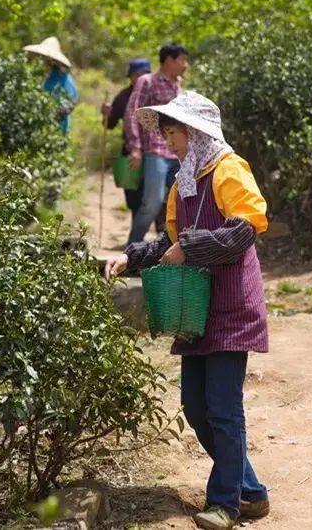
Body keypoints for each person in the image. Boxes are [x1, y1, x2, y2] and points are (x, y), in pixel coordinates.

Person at [106, 91, 270, 530]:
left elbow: (244, 231)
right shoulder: (185, 181)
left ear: (194, 132)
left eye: (171, 132)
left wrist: (190, 247)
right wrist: (132, 256)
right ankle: (250, 491)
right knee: (195, 408)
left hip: (232, 304)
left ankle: (225, 504)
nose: (167, 141)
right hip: (196, 307)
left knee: (223, 408)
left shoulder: (228, 170)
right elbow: (169, 242)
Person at [124, 42, 189, 243]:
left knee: (185, 202)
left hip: (177, 154)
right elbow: (131, 113)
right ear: (170, 60)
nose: (186, 65)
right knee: (151, 204)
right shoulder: (147, 81)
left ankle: (180, 251)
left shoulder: (177, 86)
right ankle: (131, 251)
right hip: (156, 152)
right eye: (182, 60)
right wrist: (135, 146)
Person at [101, 58, 152, 223]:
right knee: (134, 197)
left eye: (144, 74)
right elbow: (109, 125)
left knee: (159, 198)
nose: (140, 78)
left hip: (155, 152)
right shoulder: (123, 97)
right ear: (130, 77)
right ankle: (136, 238)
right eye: (136, 75)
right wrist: (106, 114)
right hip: (131, 152)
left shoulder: (156, 94)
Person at [23, 36, 78, 134]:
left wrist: (51, 112)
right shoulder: (38, 76)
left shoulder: (64, 79)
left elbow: (70, 103)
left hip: (57, 129)